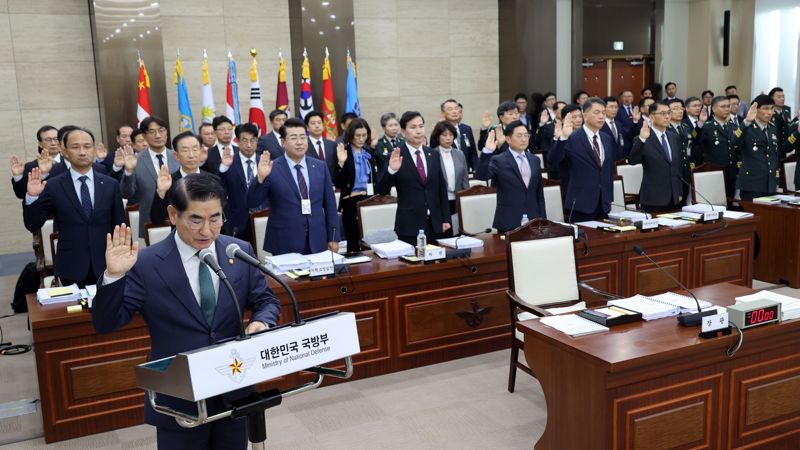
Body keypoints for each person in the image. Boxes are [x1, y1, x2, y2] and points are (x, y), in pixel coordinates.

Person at [91, 173, 281, 450]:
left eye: (215, 218)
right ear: (172, 214)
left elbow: (266, 301)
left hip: (234, 387)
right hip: (178, 398)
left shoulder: (237, 250)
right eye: (196, 220)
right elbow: (106, 323)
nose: (207, 231)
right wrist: (113, 276)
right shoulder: (146, 263)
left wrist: (262, 322)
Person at [23, 127, 124, 287]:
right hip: (71, 265)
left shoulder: (110, 185)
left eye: (87, 146)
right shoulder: (54, 185)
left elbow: (120, 226)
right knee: (76, 311)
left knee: (110, 310)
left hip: (108, 263)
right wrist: (32, 197)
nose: (82, 152)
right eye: (75, 147)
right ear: (64, 151)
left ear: (93, 149)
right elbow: (33, 224)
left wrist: (123, 260)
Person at [246, 118, 340, 255]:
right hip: (284, 242)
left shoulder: (319, 166)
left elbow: (330, 205)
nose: (300, 142)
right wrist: (260, 178)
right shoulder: (272, 168)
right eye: (294, 138)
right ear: (283, 142)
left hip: (318, 240)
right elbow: (252, 202)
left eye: (303, 137)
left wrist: (334, 237)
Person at [376, 111, 451, 244]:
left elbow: (441, 189)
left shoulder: (433, 154)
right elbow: (382, 190)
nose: (418, 131)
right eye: (413, 127)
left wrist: (445, 218)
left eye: (421, 126)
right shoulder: (396, 155)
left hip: (436, 224)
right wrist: (391, 170)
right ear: (403, 132)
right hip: (409, 225)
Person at [549, 97, 627, 222]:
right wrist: (563, 137)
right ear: (585, 115)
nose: (601, 116)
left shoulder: (606, 138)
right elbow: (553, 161)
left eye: (603, 113)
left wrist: (608, 198)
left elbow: (607, 169)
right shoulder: (572, 137)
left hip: (603, 203)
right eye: (597, 113)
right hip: (580, 203)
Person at [476, 120, 545, 231]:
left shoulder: (534, 160)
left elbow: (539, 194)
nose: (523, 139)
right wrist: (487, 152)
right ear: (508, 139)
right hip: (509, 220)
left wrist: (543, 219)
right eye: (519, 136)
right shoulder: (498, 160)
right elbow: (481, 175)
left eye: (526, 135)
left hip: (534, 220)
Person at [333, 118, 380, 253]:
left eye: (364, 135)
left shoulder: (368, 152)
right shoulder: (344, 151)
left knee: (370, 241)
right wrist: (341, 164)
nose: (361, 139)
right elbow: (338, 182)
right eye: (357, 135)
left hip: (369, 199)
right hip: (351, 201)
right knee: (353, 240)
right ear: (350, 135)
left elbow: (375, 178)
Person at [628, 102, 683, 213]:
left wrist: (679, 191)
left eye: (668, 113)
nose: (667, 116)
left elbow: (677, 167)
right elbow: (632, 161)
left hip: (674, 198)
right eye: (663, 113)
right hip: (653, 199)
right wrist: (642, 139)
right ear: (652, 116)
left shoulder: (673, 137)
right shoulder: (643, 137)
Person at [219, 123, 268, 245]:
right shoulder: (229, 162)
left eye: (253, 140)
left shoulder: (265, 163)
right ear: (237, 141)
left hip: (263, 218)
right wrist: (224, 167)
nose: (249, 145)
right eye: (244, 141)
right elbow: (218, 185)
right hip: (238, 221)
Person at [149, 131, 207, 226]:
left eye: (195, 149)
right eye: (185, 150)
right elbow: (157, 220)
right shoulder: (169, 182)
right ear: (176, 156)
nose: (191, 155)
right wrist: (161, 192)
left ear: (201, 152)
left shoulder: (213, 180)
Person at [734, 96, 780, 200]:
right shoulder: (747, 127)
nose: (769, 112)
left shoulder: (772, 128)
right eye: (765, 108)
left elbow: (774, 155)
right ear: (755, 109)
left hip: (769, 183)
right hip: (751, 184)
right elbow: (734, 142)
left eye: (772, 108)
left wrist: (776, 179)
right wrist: (746, 121)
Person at [695, 96, 738, 197]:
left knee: (731, 205)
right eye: (723, 106)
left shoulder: (733, 126)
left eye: (728, 106)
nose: (727, 109)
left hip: (731, 173)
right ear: (714, 109)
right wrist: (700, 123)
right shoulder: (707, 126)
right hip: (714, 173)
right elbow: (695, 140)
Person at [430, 121, 469, 229]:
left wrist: (466, 197)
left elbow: (465, 179)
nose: (448, 138)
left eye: (451, 135)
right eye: (444, 135)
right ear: (438, 137)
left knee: (457, 230)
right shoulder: (432, 154)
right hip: (440, 201)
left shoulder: (459, 154)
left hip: (457, 199)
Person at [431, 99, 478, 171]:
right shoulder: (438, 130)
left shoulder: (466, 129)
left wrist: (476, 169)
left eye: (456, 108)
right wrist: (438, 129)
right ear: (443, 114)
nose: (454, 111)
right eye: (450, 109)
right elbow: (434, 151)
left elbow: (473, 153)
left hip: (466, 172)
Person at [666, 98, 694, 200]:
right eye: (675, 108)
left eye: (681, 108)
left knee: (685, 199)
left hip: (685, 170)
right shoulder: (665, 128)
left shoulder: (685, 127)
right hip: (673, 171)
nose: (680, 111)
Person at [304, 111, 337, 177]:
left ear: (323, 126)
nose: (317, 126)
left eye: (319, 123)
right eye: (313, 123)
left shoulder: (332, 145)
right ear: (307, 127)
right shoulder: (303, 145)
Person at [374, 112, 404, 177]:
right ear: (383, 127)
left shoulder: (403, 142)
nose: (394, 128)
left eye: (396, 125)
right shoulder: (379, 144)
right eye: (390, 126)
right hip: (385, 178)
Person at [769, 87, 794, 157]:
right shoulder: (769, 112)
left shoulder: (786, 110)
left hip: (786, 148)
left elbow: (788, 126)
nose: (782, 99)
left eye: (783, 97)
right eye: (779, 97)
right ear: (772, 98)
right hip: (774, 149)